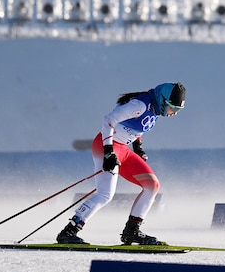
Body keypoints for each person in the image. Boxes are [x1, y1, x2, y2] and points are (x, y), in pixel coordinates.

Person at [56, 82, 186, 246]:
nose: (174, 113)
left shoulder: (154, 109)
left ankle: (131, 232)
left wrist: (137, 147)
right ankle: (69, 231)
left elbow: (138, 128)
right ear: (163, 99)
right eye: (173, 107)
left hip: (123, 150)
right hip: (106, 146)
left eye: (178, 110)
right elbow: (109, 120)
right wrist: (109, 151)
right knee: (105, 194)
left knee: (152, 185)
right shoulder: (139, 104)